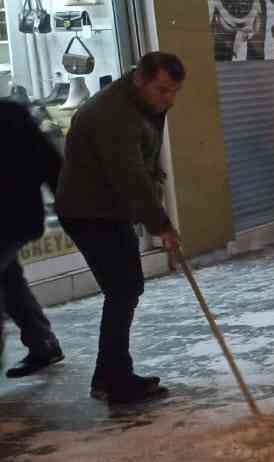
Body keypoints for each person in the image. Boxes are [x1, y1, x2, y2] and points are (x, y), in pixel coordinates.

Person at [55, 51, 186, 404]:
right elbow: (130, 176)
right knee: (123, 287)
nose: (169, 99)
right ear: (141, 79)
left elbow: (143, 162)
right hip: (89, 210)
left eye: (174, 91)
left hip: (107, 207)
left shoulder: (144, 103)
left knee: (125, 287)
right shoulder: (113, 114)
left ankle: (109, 376)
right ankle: (114, 380)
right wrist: (161, 224)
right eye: (163, 90)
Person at [1, 100, 64, 379]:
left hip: (12, 219)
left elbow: (50, 162)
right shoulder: (11, 112)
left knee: (8, 279)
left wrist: (69, 207)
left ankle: (43, 343)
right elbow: (51, 162)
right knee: (9, 279)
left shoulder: (9, 114)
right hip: (16, 219)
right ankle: (43, 344)